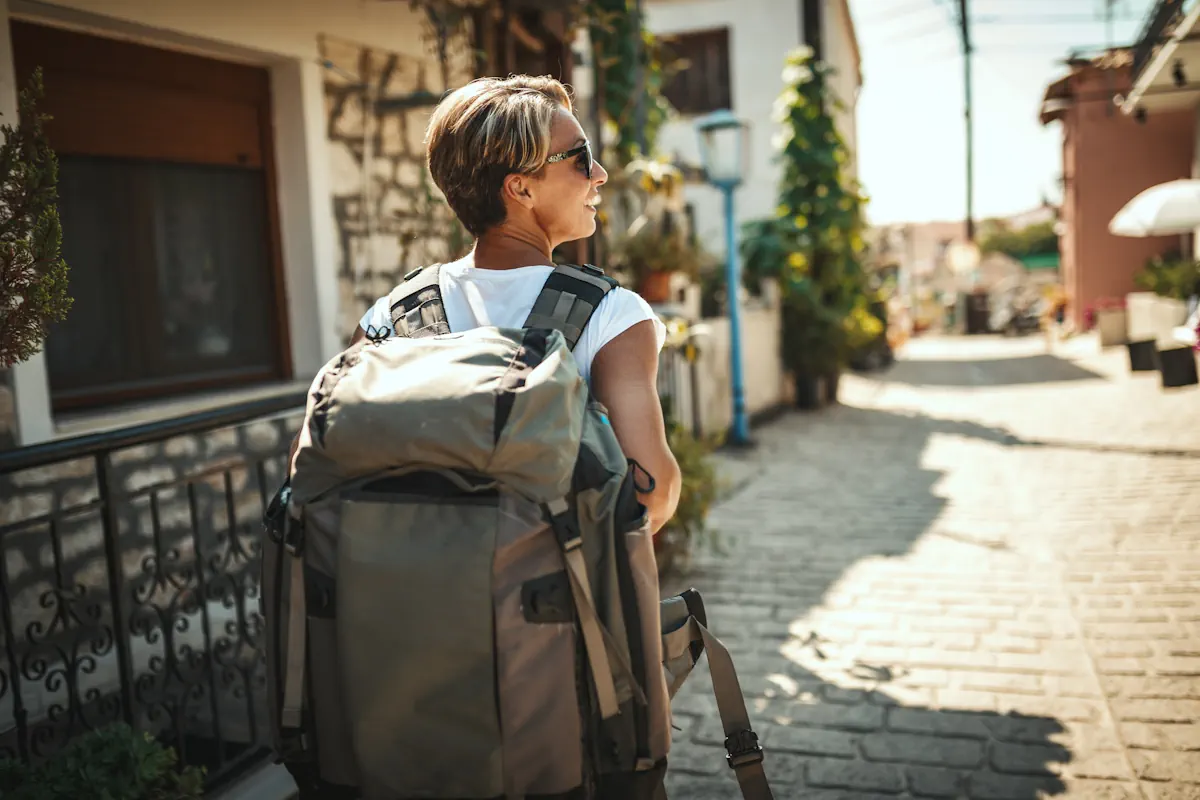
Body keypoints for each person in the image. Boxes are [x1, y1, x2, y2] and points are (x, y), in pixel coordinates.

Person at [341, 74, 681, 534]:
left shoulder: (393, 315)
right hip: (548, 580)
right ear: (520, 189)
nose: (599, 173)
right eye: (581, 158)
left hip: (401, 576)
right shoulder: (611, 315)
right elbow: (652, 492)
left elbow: (310, 467)